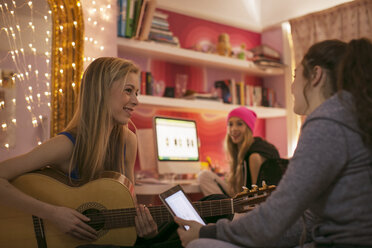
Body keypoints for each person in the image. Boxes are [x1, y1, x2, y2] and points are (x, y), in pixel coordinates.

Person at [175, 38, 372, 247]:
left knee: (200, 245)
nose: (292, 86)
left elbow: (275, 217)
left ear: (316, 75)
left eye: (295, 75)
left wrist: (206, 232)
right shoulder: (350, 115)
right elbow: (307, 221)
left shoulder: (326, 124)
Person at [0, 57, 158, 242]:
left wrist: (145, 229)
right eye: (128, 91)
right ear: (101, 92)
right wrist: (52, 213)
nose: (136, 101)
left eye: (136, 93)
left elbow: (130, 207)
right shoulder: (67, 144)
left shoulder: (128, 141)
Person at [198, 106, 282, 197]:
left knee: (204, 176)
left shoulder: (254, 156)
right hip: (240, 198)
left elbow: (256, 197)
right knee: (204, 175)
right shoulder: (241, 151)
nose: (233, 129)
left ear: (249, 128)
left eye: (239, 124)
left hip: (247, 206)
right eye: (230, 124)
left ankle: (224, 209)